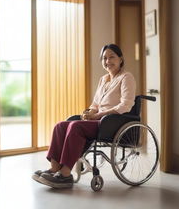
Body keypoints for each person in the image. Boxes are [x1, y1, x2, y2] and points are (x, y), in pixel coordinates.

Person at [32, 44, 136, 188]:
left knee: (76, 126)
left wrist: (99, 114)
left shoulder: (126, 77)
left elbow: (126, 105)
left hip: (112, 122)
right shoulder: (103, 79)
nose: (108, 61)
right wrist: (89, 112)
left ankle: (66, 174)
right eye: (104, 58)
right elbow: (96, 103)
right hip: (98, 119)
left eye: (112, 57)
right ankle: (54, 168)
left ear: (121, 59)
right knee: (61, 125)